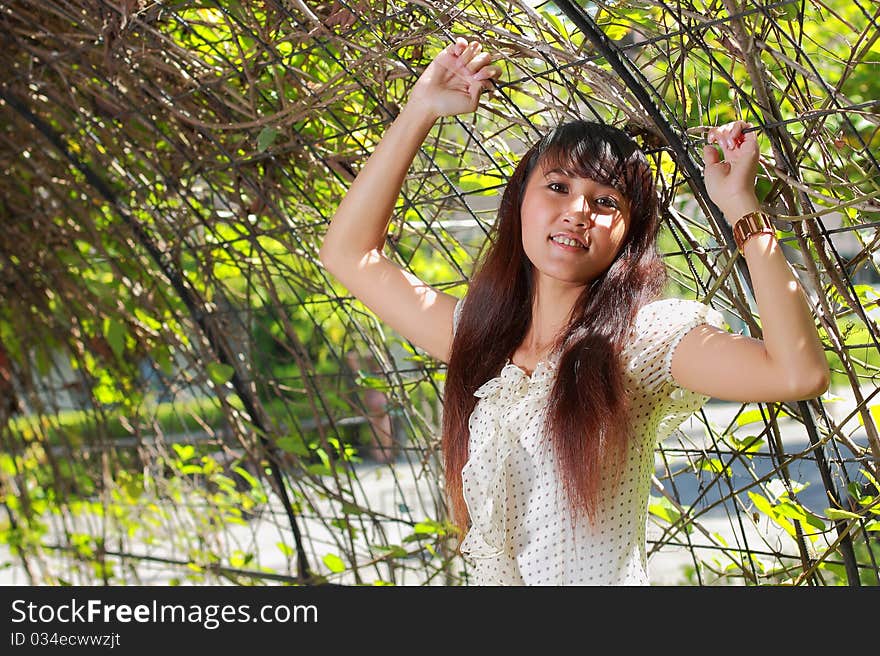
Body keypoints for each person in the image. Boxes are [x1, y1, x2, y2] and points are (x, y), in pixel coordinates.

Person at [318, 38, 830, 585]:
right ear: (520, 202)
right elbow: (347, 254)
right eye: (558, 187)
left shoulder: (642, 343)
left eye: (606, 201)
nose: (578, 212)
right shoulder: (480, 336)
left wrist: (742, 209)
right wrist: (421, 107)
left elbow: (798, 372)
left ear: (628, 233)